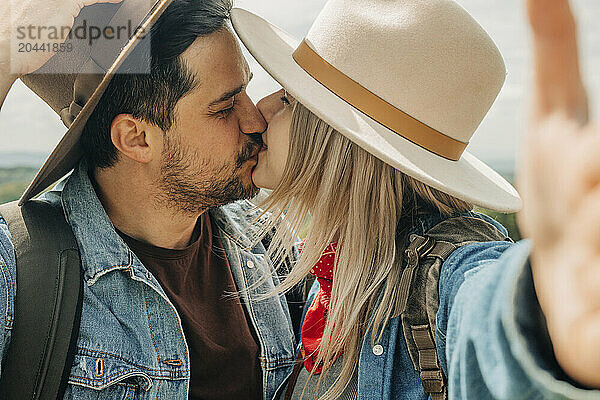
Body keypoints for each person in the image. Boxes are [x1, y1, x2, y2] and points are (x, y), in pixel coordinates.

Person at [231, 0, 600, 398]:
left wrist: (546, 305)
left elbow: (482, 308)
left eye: (288, 99)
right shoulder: (324, 268)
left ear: (340, 143)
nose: (261, 109)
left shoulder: (444, 281)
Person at [0, 0, 303, 399]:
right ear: (137, 138)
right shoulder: (20, 270)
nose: (255, 120)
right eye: (226, 106)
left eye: (246, 90)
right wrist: (6, 52)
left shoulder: (267, 244)